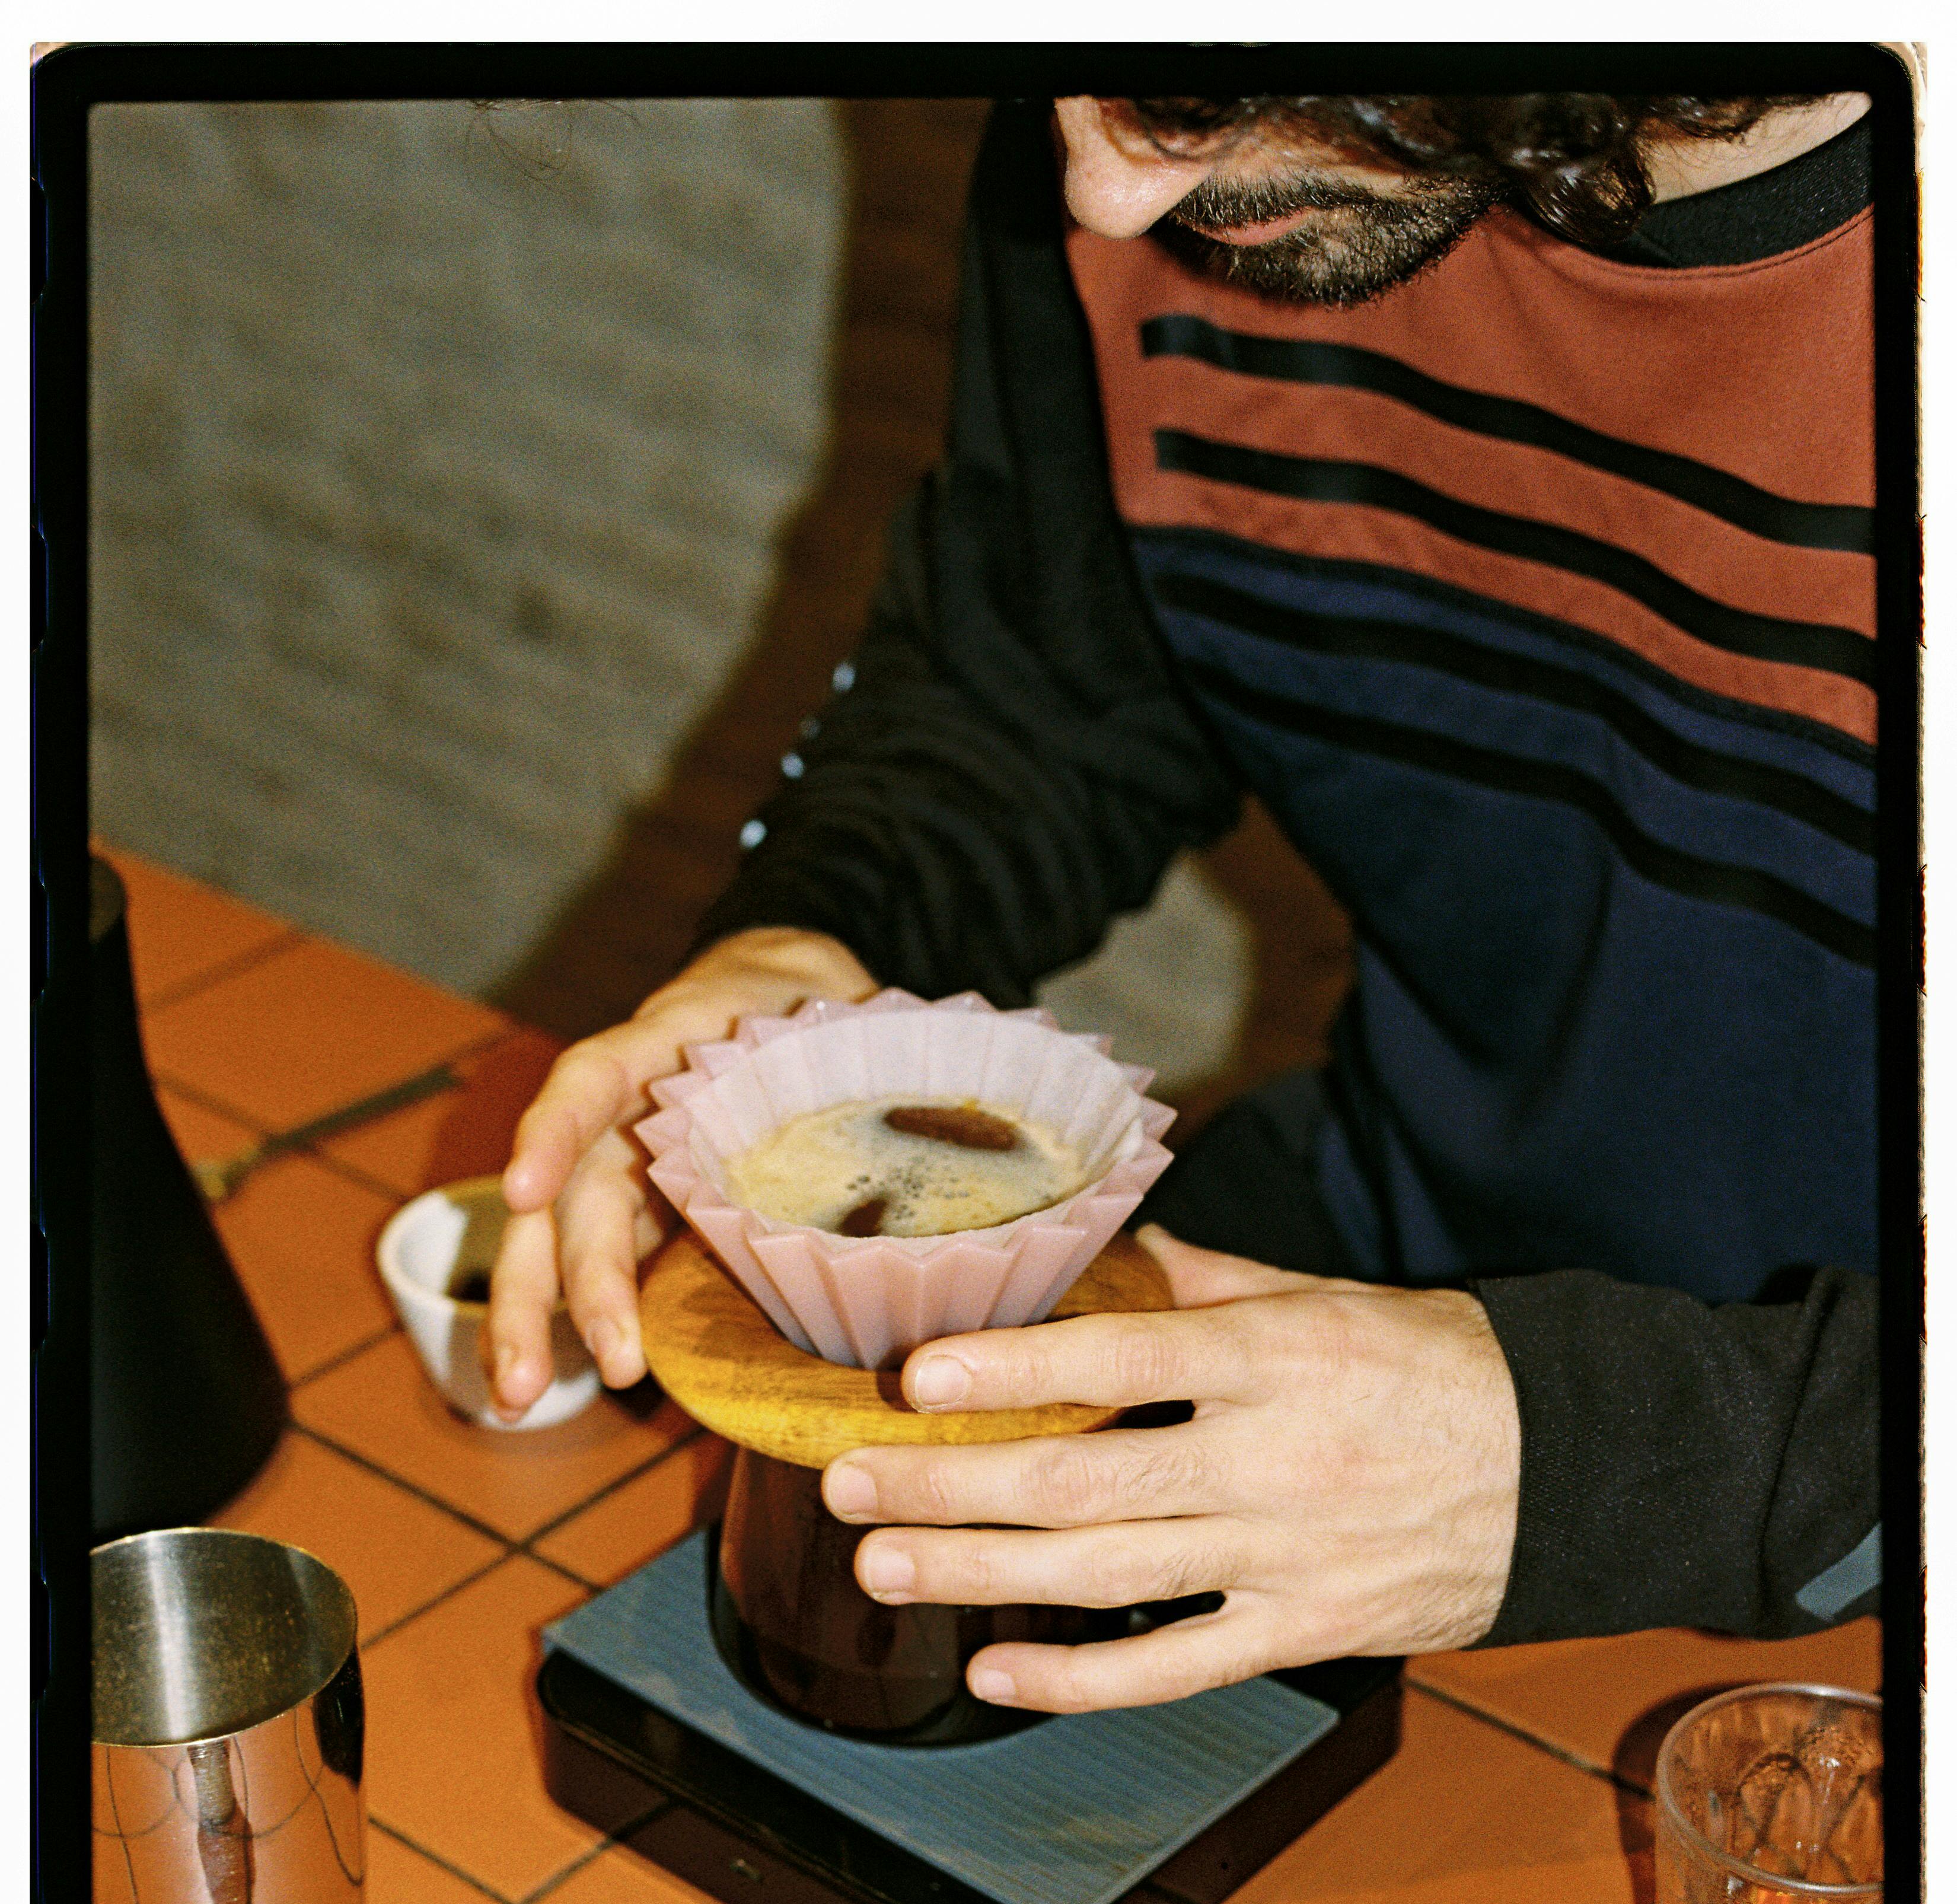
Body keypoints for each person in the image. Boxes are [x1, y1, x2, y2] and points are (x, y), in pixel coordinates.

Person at [486, 88, 1883, 1714]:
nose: (1093, 193)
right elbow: (1049, 689)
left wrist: (1627, 1471)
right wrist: (811, 941)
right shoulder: (1164, 174)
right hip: (1374, 1313)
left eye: (1191, 83)